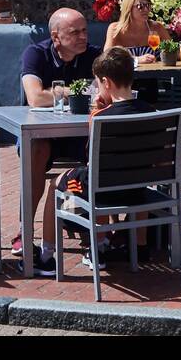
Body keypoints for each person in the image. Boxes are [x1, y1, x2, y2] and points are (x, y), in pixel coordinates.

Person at [54, 46, 156, 269]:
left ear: (106, 82)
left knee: (62, 181)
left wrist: (96, 112)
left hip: (104, 192)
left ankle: (95, 242)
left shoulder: (99, 117)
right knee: (134, 174)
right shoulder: (152, 112)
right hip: (139, 189)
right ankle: (139, 245)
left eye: (97, 83)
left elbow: (93, 162)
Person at [19, 7, 101, 275]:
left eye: (84, 31)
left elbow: (104, 93)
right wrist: (76, 91)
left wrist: (56, 93)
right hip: (42, 133)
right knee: (37, 150)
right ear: (56, 37)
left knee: (99, 148)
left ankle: (98, 232)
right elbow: (35, 97)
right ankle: (25, 231)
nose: (82, 37)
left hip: (78, 134)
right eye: (74, 32)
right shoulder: (36, 54)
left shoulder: (93, 55)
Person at [103, 0, 172, 61]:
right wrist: (136, 59)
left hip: (154, 71)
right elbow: (107, 55)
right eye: (140, 6)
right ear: (129, 8)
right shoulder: (115, 29)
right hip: (126, 71)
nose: (146, 9)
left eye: (148, 5)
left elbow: (173, 51)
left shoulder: (157, 27)